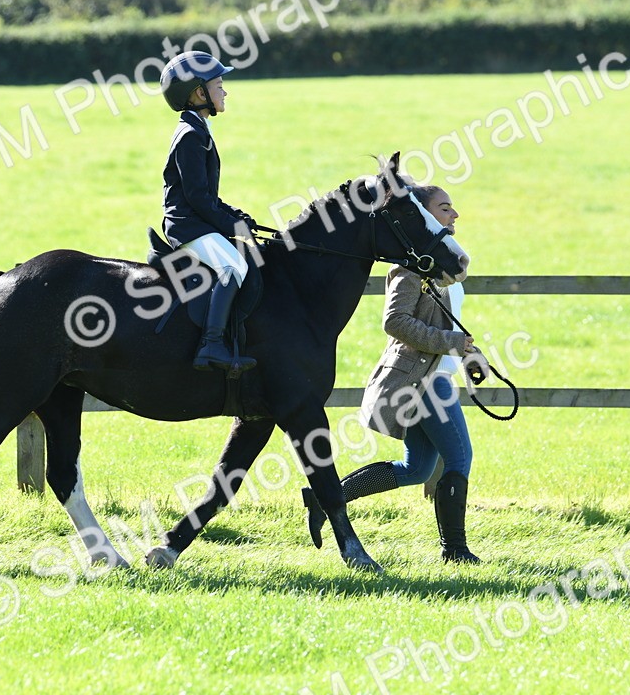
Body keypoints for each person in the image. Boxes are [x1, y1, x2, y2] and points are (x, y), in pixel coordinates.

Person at [301, 185, 485, 563]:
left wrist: (469, 353)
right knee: (459, 457)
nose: (454, 215)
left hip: (432, 375)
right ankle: (455, 550)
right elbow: (395, 322)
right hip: (421, 382)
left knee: (417, 468)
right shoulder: (408, 269)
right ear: (426, 215)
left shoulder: (439, 266)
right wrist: (451, 342)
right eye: (444, 208)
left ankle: (325, 498)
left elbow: (448, 327)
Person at [159, 50, 257, 372]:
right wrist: (231, 226)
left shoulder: (198, 128)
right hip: (186, 226)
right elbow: (199, 200)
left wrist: (237, 217)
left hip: (196, 221)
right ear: (199, 93)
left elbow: (208, 198)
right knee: (235, 268)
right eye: (219, 84)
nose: (224, 90)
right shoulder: (190, 136)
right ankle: (211, 345)